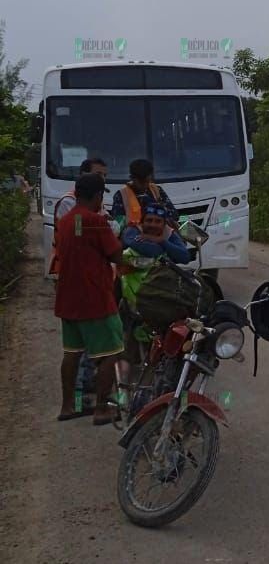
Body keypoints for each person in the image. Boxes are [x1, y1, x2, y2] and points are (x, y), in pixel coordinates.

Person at [55, 172, 124, 426]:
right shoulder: (95, 221)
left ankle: (67, 406)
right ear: (97, 196)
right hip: (95, 298)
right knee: (110, 353)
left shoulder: (65, 221)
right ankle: (102, 409)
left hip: (67, 298)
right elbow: (117, 255)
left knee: (71, 353)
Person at [117, 203, 190, 383]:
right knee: (126, 347)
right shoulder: (131, 230)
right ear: (142, 221)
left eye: (158, 221)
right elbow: (150, 250)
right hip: (132, 300)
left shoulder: (167, 234)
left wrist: (161, 242)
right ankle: (121, 391)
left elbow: (185, 256)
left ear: (164, 223)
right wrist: (161, 245)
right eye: (149, 220)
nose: (153, 224)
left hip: (160, 300)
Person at [111, 158, 179, 230]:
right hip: (135, 236)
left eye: (147, 181)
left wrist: (162, 213)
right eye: (141, 182)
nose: (145, 185)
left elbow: (174, 214)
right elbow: (118, 225)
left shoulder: (157, 190)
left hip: (159, 234)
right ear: (132, 178)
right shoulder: (121, 195)